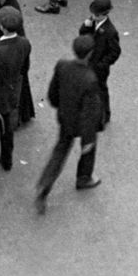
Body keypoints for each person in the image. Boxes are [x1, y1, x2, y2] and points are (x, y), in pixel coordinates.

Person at [32, 28, 106, 209]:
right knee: (89, 150)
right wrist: (88, 139)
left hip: (65, 118)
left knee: (60, 150)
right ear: (90, 53)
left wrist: (60, 106)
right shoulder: (90, 79)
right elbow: (90, 114)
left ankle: (45, 185)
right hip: (81, 124)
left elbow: (53, 93)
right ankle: (84, 177)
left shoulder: (62, 65)